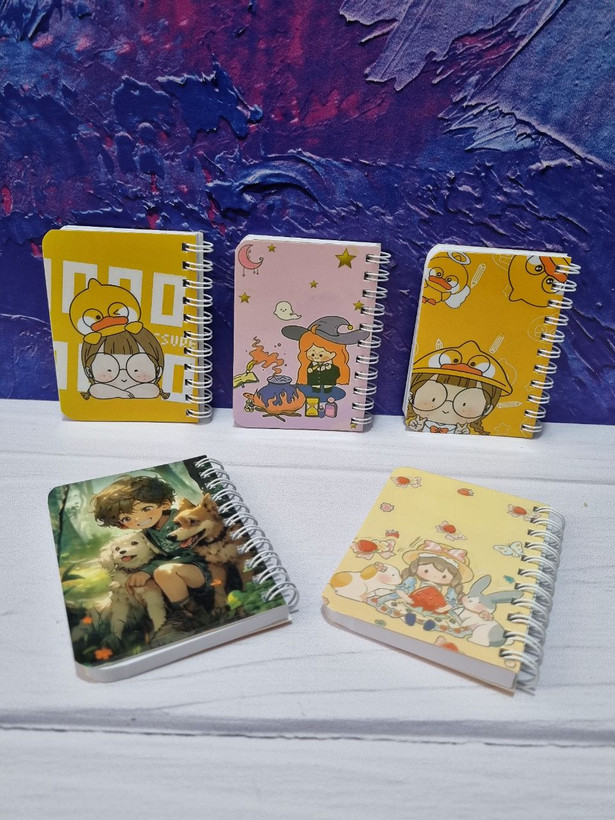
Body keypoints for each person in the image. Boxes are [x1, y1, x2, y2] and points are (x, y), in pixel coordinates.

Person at [92, 475, 212, 626]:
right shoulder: (148, 533)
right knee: (142, 583)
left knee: (163, 572)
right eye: (127, 518)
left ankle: (193, 615)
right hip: (183, 572)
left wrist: (149, 570)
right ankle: (165, 615)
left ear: (165, 504)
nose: (138, 519)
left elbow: (198, 551)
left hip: (206, 568)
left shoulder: (182, 519)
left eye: (146, 509)